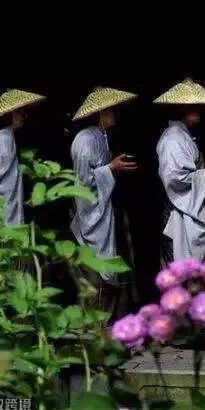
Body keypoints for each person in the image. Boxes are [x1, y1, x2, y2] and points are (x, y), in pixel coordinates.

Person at [70, 87, 137, 314]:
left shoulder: (101, 136)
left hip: (105, 211)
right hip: (90, 214)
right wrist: (110, 168)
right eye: (112, 110)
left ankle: (108, 321)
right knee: (94, 275)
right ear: (101, 113)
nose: (115, 114)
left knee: (109, 273)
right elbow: (84, 182)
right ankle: (94, 326)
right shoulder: (85, 140)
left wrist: (111, 168)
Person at [154, 78, 205, 263]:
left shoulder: (185, 135)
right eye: (194, 106)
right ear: (183, 109)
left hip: (191, 208)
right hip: (178, 213)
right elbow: (175, 179)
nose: (199, 110)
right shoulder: (173, 139)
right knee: (181, 270)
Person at [0, 89, 46, 226]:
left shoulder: (8, 135)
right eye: (21, 113)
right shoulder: (3, 138)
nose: (23, 117)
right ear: (11, 114)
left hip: (11, 198)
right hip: (5, 200)